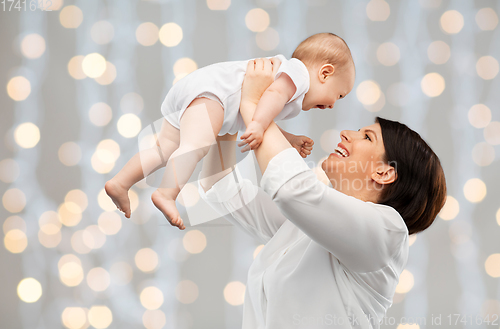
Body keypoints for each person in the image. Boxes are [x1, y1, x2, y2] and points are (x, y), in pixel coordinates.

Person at [196, 58, 447, 328]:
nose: (347, 134)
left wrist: (254, 104)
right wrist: (231, 115)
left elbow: (292, 188)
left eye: (367, 137)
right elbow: (220, 188)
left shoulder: (387, 232)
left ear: (384, 173)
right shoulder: (306, 228)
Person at [105, 32, 356, 230]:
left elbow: (260, 107)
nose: (333, 104)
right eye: (339, 94)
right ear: (325, 73)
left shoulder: (290, 86)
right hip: (216, 96)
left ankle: (120, 182)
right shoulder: (299, 74)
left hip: (196, 90)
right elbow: (271, 97)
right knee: (196, 146)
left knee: (163, 149)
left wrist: (288, 139)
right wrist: (256, 125)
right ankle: (166, 193)